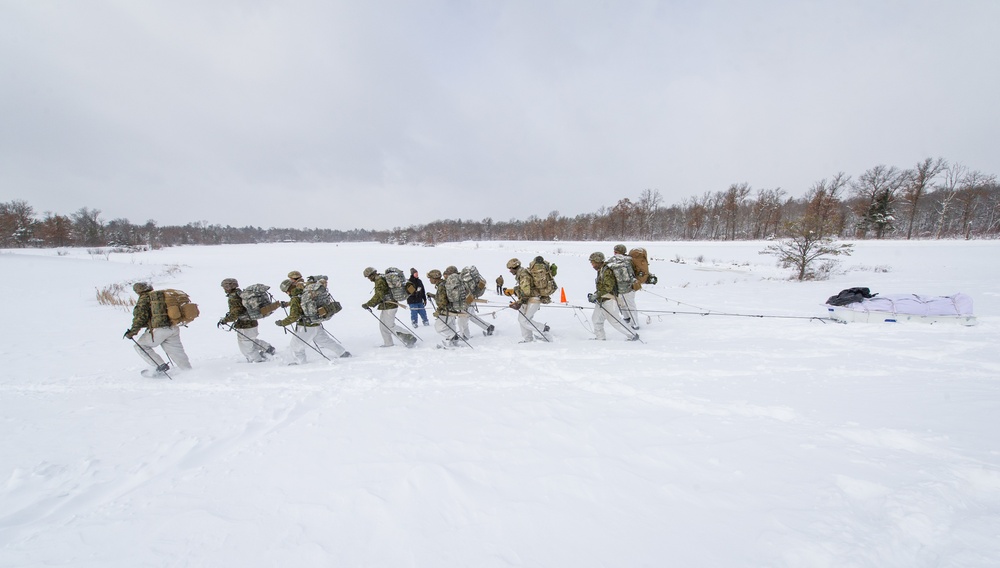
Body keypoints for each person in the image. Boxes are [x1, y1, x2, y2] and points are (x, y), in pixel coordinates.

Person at [274, 278, 350, 363]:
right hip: (316, 322)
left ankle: (299, 362)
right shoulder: (304, 292)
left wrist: (282, 323)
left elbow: (294, 316)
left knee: (296, 345)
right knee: (325, 341)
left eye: (285, 291)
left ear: (288, 290)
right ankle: (343, 353)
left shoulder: (295, 298)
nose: (286, 293)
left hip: (305, 326)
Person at [124, 282, 192, 377]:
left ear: (138, 291)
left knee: (140, 346)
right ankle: (188, 371)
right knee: (176, 350)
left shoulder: (144, 299)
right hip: (173, 327)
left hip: (159, 329)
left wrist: (133, 331)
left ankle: (160, 366)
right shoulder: (161, 296)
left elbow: (140, 317)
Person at [218, 278, 275, 362]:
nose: (224, 289)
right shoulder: (241, 293)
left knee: (245, 345)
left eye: (224, 287)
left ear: (228, 287)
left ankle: (256, 360)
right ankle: (268, 348)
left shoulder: (233, 297)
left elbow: (237, 312)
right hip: (252, 322)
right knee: (250, 340)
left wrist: (225, 320)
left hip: (245, 325)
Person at [588, 252, 639, 341]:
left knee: (615, 320)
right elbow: (602, 286)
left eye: (593, 262)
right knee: (596, 319)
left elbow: (608, 287)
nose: (592, 265)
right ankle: (600, 338)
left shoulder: (607, 271)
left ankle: (633, 335)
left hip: (609, 300)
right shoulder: (601, 270)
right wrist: (595, 295)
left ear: (598, 261)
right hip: (602, 299)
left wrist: (596, 295)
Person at [361, 267, 417, 348]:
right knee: (383, 326)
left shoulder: (379, 281)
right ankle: (388, 343)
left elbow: (379, 295)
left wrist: (368, 304)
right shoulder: (382, 278)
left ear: (372, 274)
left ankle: (409, 338)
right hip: (386, 306)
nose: (369, 279)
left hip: (390, 306)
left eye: (369, 277)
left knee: (390, 326)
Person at [503, 258, 548, 343]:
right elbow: (524, 289)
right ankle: (528, 339)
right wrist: (513, 291)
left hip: (533, 299)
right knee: (522, 319)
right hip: (528, 300)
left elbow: (526, 292)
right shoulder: (522, 274)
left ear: (515, 267)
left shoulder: (523, 275)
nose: (510, 271)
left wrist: (518, 303)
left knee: (524, 320)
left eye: (510, 269)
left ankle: (544, 329)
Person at [426, 269, 464, 348]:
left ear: (434, 278)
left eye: (430, 278)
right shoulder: (444, 284)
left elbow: (443, 302)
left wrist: (438, 312)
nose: (429, 280)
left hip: (447, 311)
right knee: (450, 327)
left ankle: (453, 337)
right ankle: (453, 341)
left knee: (439, 327)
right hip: (452, 308)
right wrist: (433, 295)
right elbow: (442, 297)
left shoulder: (441, 286)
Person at [612, 244, 640, 330]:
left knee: (624, 304)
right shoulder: (630, 260)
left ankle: (632, 321)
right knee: (630, 304)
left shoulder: (614, 260)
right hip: (630, 287)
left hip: (621, 288)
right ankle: (632, 321)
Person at [442, 266, 472, 339]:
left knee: (462, 321)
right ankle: (465, 335)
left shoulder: (456, 280)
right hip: (468, 300)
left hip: (464, 302)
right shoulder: (460, 278)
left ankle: (465, 336)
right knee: (464, 320)